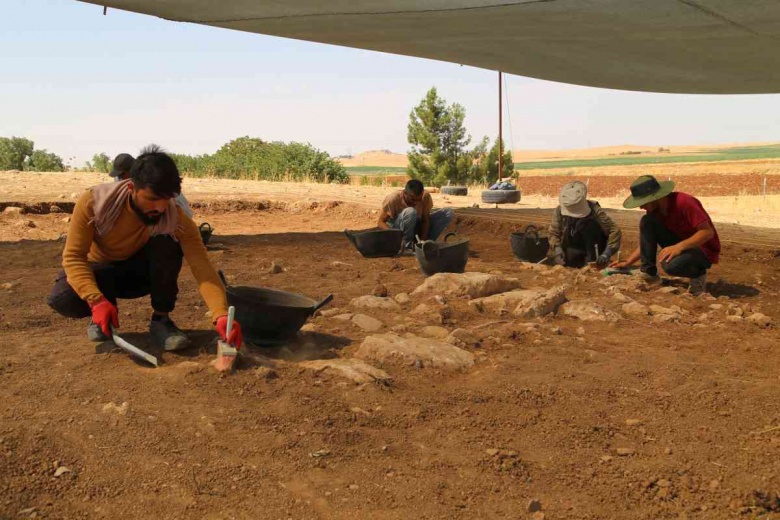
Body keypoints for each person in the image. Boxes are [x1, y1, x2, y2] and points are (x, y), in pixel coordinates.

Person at [48, 145, 242, 352]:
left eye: (165, 199)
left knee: (167, 243)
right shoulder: (94, 203)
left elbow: (202, 267)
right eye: (152, 199)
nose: (159, 208)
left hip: (138, 276)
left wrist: (220, 314)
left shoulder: (174, 217)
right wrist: (96, 301)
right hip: (99, 272)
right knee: (62, 297)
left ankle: (161, 321)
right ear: (131, 188)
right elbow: (73, 257)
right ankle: (103, 312)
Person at [610, 174, 720, 295]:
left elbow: (707, 232)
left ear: (655, 197)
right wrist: (628, 262)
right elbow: (647, 242)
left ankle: (698, 273)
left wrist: (679, 247)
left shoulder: (684, 202)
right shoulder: (655, 211)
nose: (641, 206)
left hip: (702, 249)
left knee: (670, 265)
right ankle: (649, 273)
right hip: (681, 243)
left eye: (644, 202)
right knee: (647, 221)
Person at [549, 181, 621, 268]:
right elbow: (554, 232)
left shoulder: (595, 210)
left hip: (593, 250)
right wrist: (557, 249)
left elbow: (614, 230)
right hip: (571, 249)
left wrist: (607, 253)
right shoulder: (559, 211)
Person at [109, 152, 194, 219]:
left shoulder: (155, 180)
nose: (120, 178)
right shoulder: (122, 181)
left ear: (131, 170)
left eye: (122, 174)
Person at [377, 179, 453, 250]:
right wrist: (395, 234)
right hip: (398, 232)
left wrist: (422, 240)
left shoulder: (425, 196)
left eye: (418, 200)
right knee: (410, 211)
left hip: (416, 229)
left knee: (448, 212)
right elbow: (380, 222)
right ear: (405, 193)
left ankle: (423, 244)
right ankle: (407, 247)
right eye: (413, 199)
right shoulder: (393, 198)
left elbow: (425, 220)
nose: (415, 203)